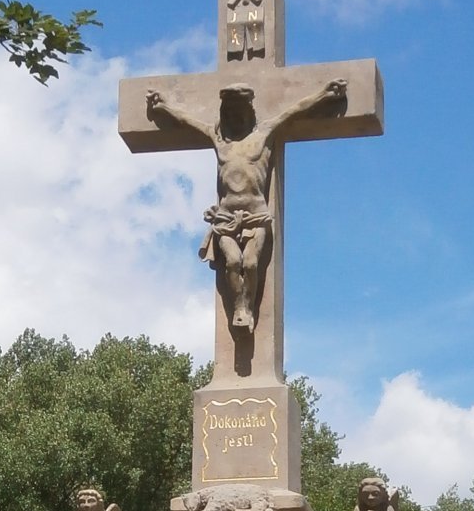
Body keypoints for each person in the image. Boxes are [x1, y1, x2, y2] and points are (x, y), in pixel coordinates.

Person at [147, 78, 347, 332]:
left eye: (239, 111)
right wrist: (164, 107)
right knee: (232, 261)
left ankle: (246, 307)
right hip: (226, 218)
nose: (235, 117)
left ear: (249, 112)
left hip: (256, 215)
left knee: (250, 263)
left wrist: (323, 94)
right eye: (230, 113)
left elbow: (294, 111)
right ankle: (240, 309)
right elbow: (187, 121)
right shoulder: (219, 139)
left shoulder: (264, 133)